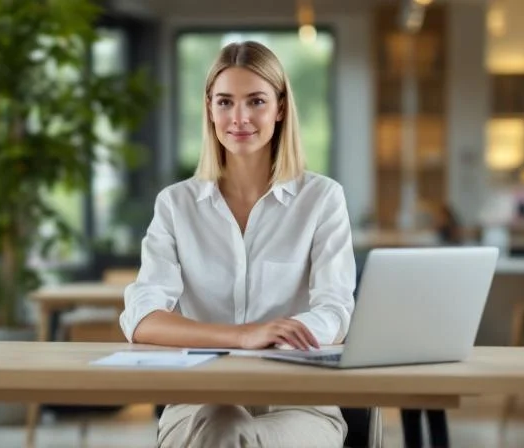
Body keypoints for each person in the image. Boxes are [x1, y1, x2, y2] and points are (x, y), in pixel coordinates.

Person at [118, 41, 355, 448]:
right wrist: (243, 335)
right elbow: (142, 318)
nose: (239, 117)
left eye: (256, 101)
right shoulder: (175, 205)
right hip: (196, 404)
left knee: (230, 434)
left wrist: (284, 336)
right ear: (209, 108)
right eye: (225, 102)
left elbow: (334, 310)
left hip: (299, 404)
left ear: (280, 108)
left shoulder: (322, 199)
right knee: (222, 422)